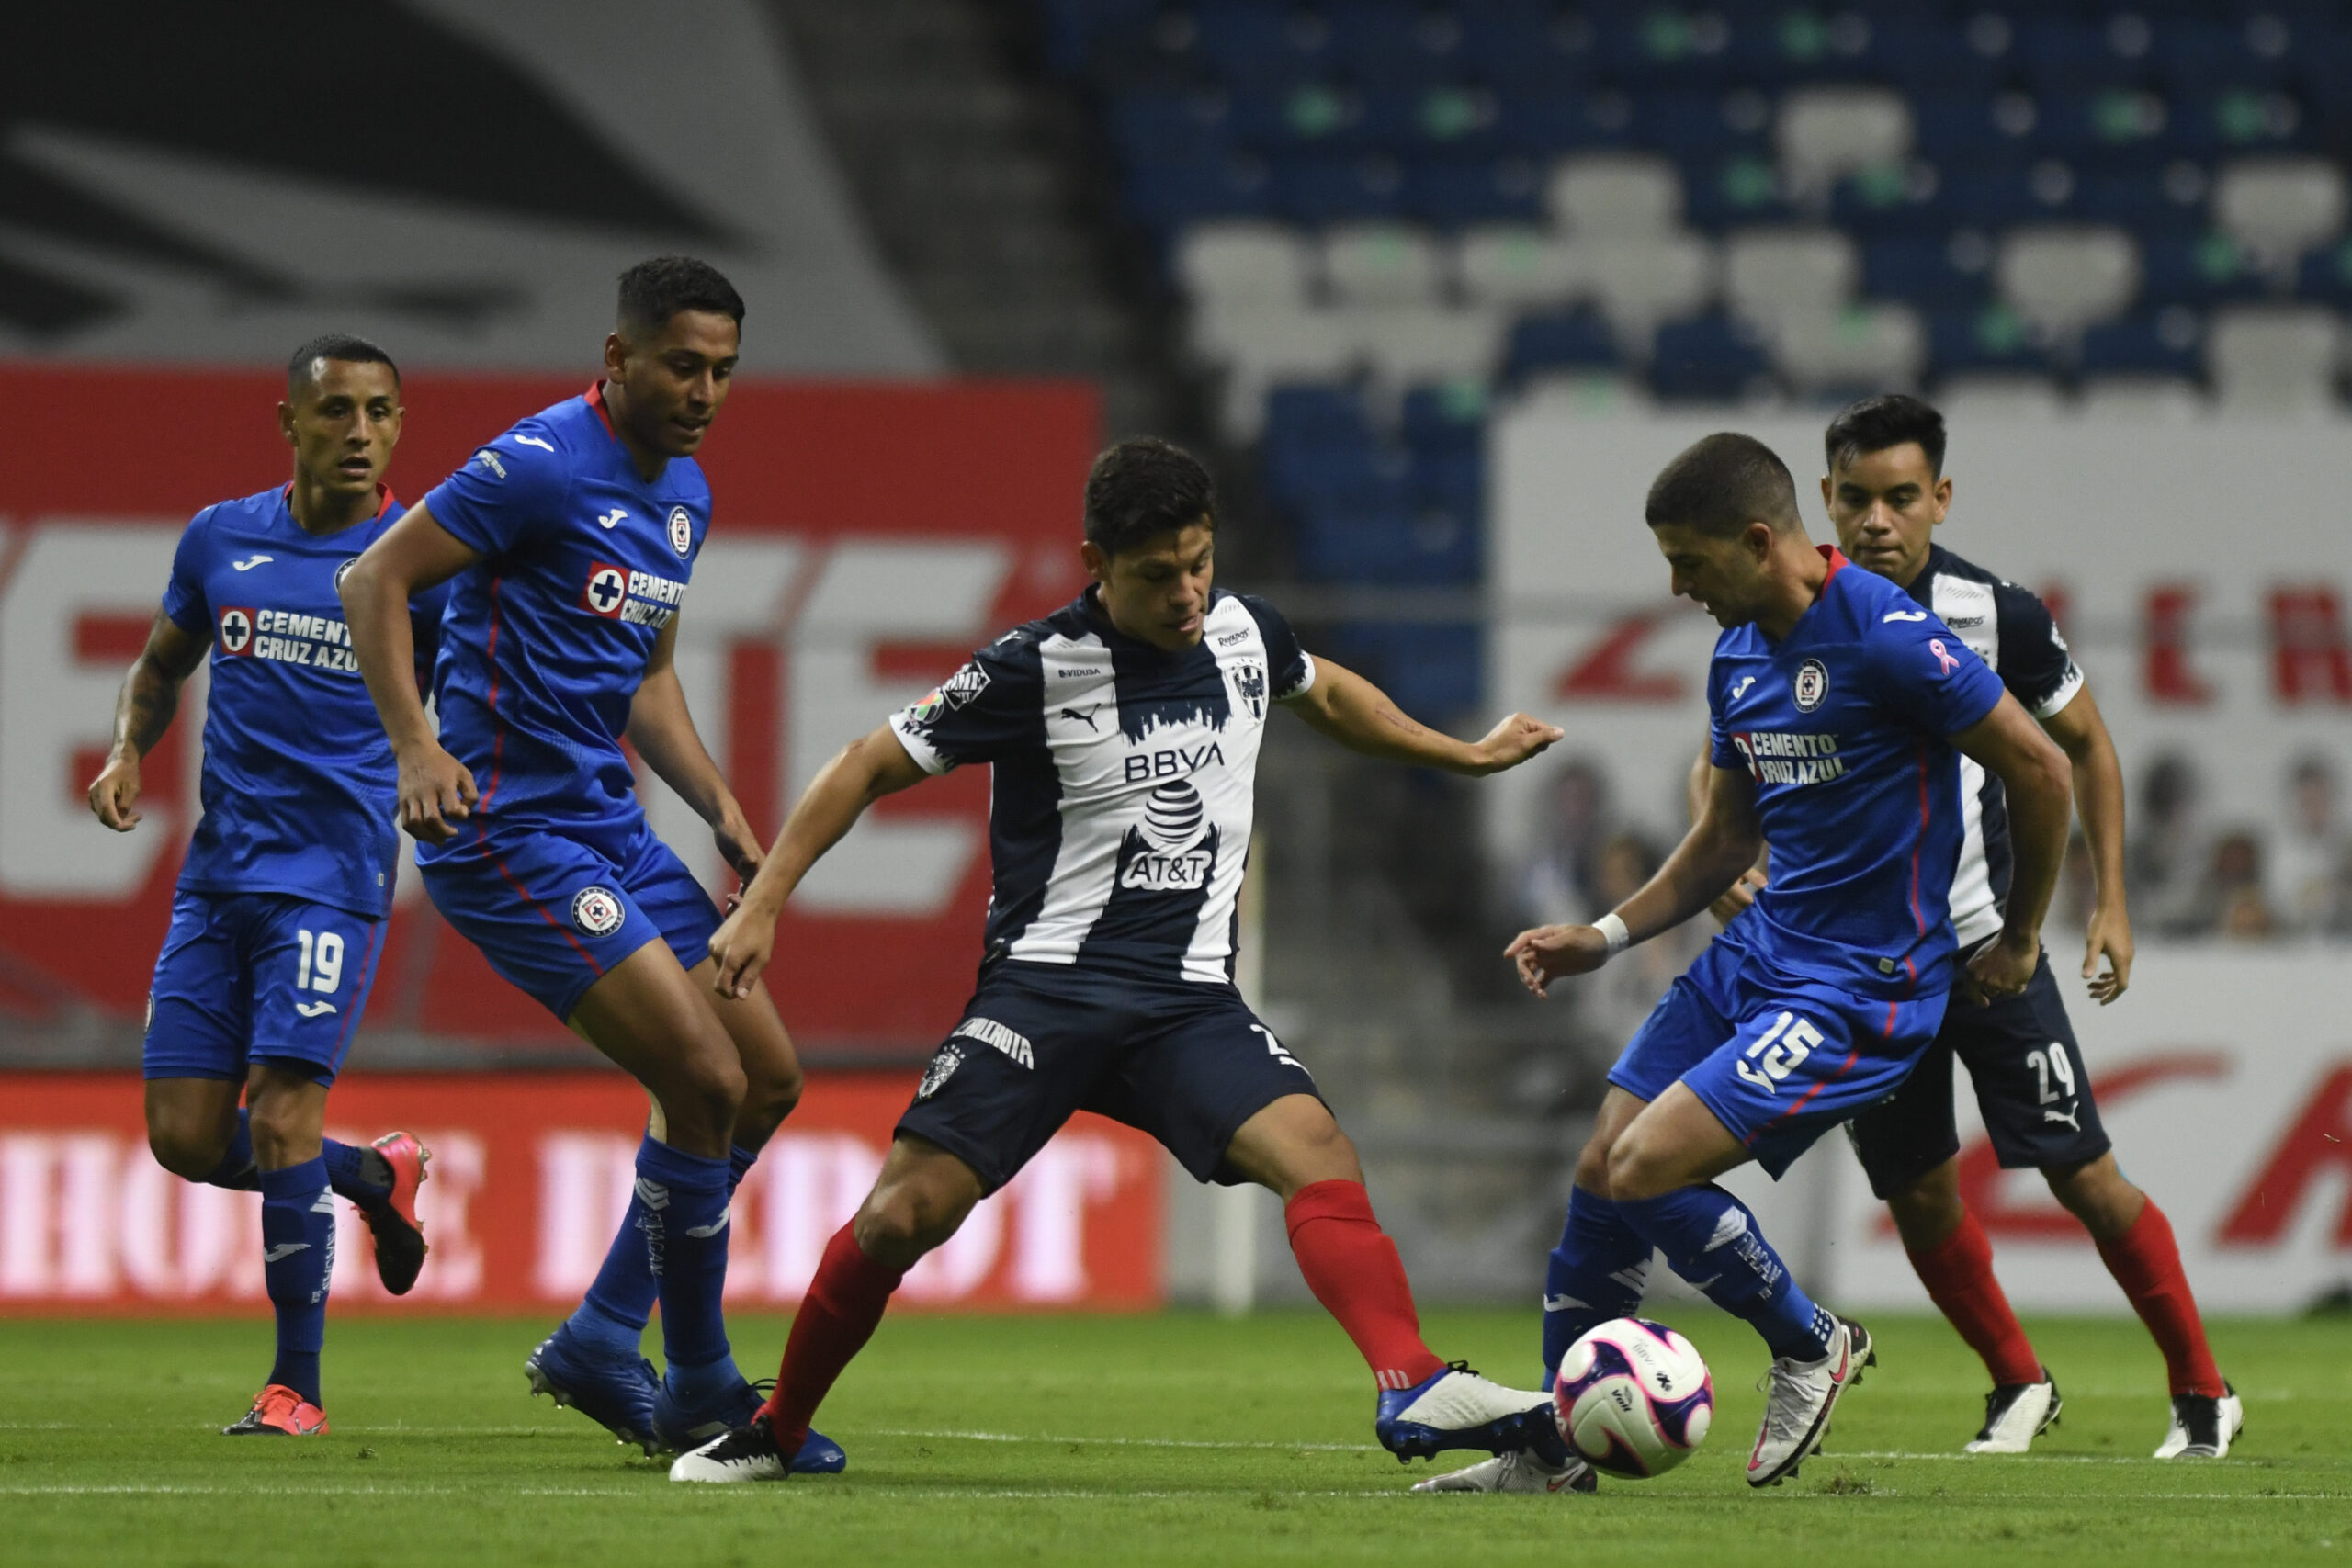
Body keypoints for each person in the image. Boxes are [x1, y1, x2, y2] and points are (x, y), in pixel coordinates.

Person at [668, 436, 1567, 1483]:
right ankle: (777, 1432)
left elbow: (1321, 692)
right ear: (1094, 560)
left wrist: (1456, 752)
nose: (1187, 594)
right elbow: (865, 764)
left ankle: (1409, 1380)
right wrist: (763, 902)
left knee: (1317, 1150)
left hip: (1185, 1000)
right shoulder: (1031, 667)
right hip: (1044, 991)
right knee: (902, 1214)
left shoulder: (1240, 631)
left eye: (1199, 563)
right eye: (1156, 575)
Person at [1437, 431, 2072, 1495]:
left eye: (1689, 562)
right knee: (1599, 1170)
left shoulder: (1889, 638)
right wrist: (1603, 935)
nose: (1676, 587)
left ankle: (1808, 1339)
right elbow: (1726, 842)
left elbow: (2042, 766)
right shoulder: (1736, 654)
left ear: (1759, 539)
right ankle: (1553, 1457)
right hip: (1758, 953)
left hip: (1859, 987)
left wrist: (2018, 933)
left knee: (1647, 1166)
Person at [337, 258, 838, 1471]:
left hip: (606, 821)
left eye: (723, 370)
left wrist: (718, 802)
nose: (705, 390)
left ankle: (606, 1333)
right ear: (619, 360)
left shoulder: (687, 496)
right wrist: (416, 746)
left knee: (767, 1080)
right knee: (705, 1080)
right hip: (504, 828)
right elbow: (374, 578)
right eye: (682, 365)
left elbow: (647, 676)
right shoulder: (539, 463)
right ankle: (705, 1389)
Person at [1816, 394, 2238, 1460]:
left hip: (1986, 952)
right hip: (1867, 968)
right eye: (1856, 497)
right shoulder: (1787, 611)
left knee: (2082, 1173)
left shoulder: (1993, 612)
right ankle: (2017, 1385)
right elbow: (1727, 753)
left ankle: (2201, 1392)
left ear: (1939, 499)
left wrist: (2108, 904)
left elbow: (2087, 747)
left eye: (1900, 498)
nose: (1877, 520)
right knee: (1915, 1194)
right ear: (1825, 498)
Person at [88, 334, 439, 1437]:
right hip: (217, 880)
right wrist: (125, 751)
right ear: (288, 423)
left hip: (329, 882)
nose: (360, 434)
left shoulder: (418, 559)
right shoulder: (219, 537)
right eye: (336, 412)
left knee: (283, 1113)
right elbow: (158, 665)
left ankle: (297, 1386)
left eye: (380, 413)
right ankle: (372, 1178)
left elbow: (478, 695)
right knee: (186, 1138)